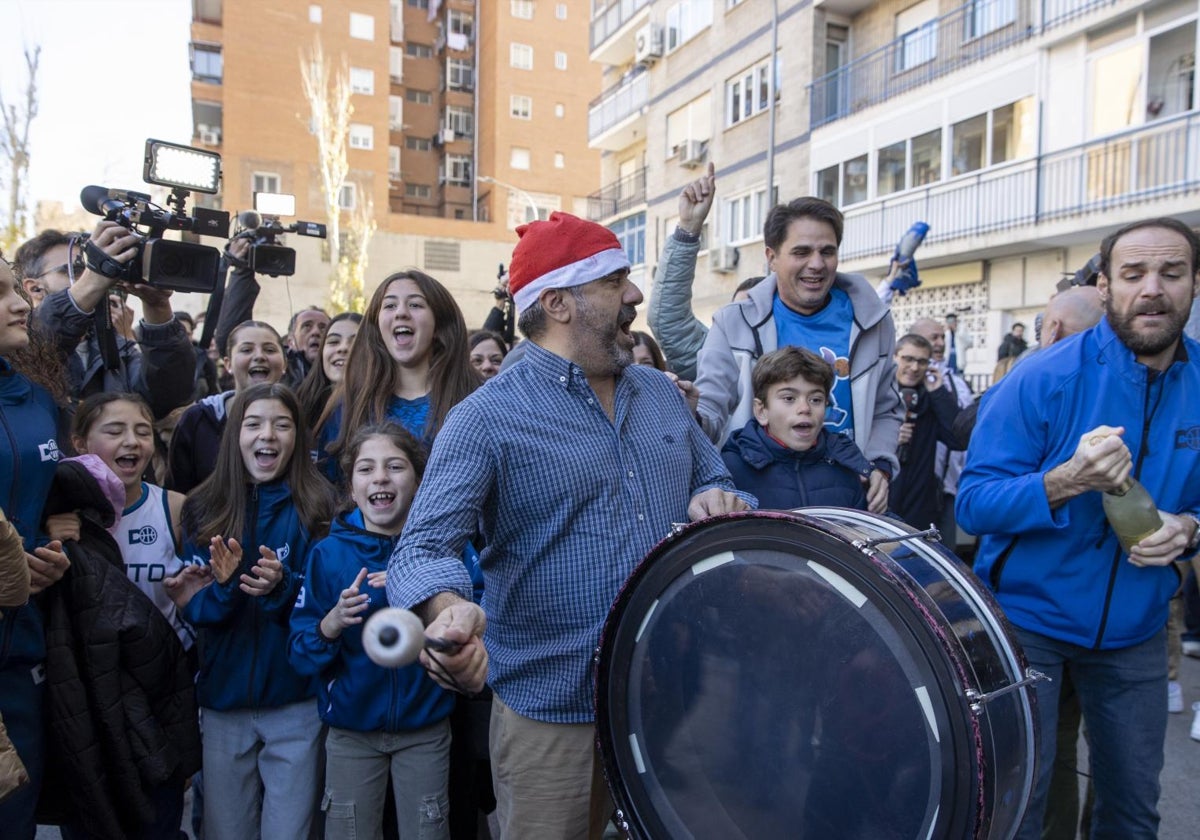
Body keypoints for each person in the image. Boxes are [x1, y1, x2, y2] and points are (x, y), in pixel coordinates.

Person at [386, 212, 751, 839]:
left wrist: (717, 496)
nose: (635, 295)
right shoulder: (487, 417)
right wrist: (448, 609)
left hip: (670, 702)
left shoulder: (661, 394)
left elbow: (714, 476)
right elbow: (420, 548)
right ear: (558, 302)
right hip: (552, 715)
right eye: (617, 282)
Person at [957, 217, 1200, 839]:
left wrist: (1191, 526)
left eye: (1171, 273)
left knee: (1132, 810)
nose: (1152, 289)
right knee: (1019, 805)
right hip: (1029, 624)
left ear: (1194, 284)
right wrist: (1064, 480)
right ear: (1105, 285)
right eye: (1133, 274)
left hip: (1138, 629)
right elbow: (975, 505)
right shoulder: (1041, 378)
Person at [169, 382, 337, 840]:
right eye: (255, 423)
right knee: (226, 830)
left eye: (283, 425)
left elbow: (325, 602)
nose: (269, 434)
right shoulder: (203, 507)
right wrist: (224, 589)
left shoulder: (318, 504)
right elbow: (197, 605)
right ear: (234, 435)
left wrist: (282, 587)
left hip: (297, 700)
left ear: (298, 438)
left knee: (291, 830)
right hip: (224, 702)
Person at [289, 422, 454, 839]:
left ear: (418, 480)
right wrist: (330, 624)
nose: (380, 477)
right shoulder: (327, 555)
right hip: (351, 733)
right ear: (352, 487)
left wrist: (424, 605)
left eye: (395, 466)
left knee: (428, 830)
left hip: (425, 728)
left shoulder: (444, 548)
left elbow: (475, 620)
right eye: (366, 469)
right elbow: (299, 650)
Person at [694, 196, 902, 514]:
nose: (816, 264)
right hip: (762, 494)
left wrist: (878, 467)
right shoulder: (734, 322)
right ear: (772, 257)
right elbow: (711, 407)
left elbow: (887, 409)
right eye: (801, 252)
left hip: (845, 497)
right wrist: (688, 412)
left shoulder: (872, 319)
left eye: (827, 252)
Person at [0, 253, 67, 839]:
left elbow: (47, 507)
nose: (21, 302)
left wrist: (48, 549)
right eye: (0, 294)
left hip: (21, 649)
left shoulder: (36, 399)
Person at [14, 225, 195, 419]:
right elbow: (38, 343)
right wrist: (93, 280)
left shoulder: (113, 347)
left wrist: (158, 307)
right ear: (34, 288)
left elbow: (166, 397)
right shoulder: (15, 344)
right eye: (75, 269)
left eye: (90, 266)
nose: (90, 273)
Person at [317, 270, 479, 479]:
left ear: (439, 325)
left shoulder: (477, 399)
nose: (401, 313)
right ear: (377, 326)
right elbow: (329, 489)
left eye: (415, 305)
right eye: (390, 305)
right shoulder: (348, 404)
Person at [65, 393, 194, 652]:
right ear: (80, 444)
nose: (132, 442)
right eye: (114, 432)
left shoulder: (175, 508)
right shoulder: (62, 514)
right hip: (95, 671)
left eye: (143, 432)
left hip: (168, 669)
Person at [721, 346, 871, 510]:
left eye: (815, 399)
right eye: (789, 398)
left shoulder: (845, 465)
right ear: (761, 411)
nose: (805, 408)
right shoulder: (730, 469)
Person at [166, 319, 288, 493]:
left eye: (269, 350)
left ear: (285, 364)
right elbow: (177, 493)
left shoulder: (303, 419)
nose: (260, 356)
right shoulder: (197, 419)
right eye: (247, 350)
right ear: (228, 364)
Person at [887, 334, 965, 530]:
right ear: (895, 356)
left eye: (922, 362)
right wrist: (888, 439)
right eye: (908, 359)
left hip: (920, 504)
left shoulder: (932, 399)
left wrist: (938, 392)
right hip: (882, 500)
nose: (914, 368)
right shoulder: (878, 394)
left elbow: (958, 438)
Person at [296, 312, 363, 433]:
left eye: (355, 342)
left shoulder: (385, 411)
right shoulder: (299, 405)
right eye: (333, 342)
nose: (343, 348)